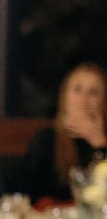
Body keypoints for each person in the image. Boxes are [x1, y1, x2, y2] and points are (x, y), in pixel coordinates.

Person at [9, 62, 107, 203]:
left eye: (93, 92)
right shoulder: (46, 139)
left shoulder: (102, 141)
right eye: (77, 89)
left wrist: (98, 141)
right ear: (64, 97)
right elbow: (33, 198)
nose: (84, 99)